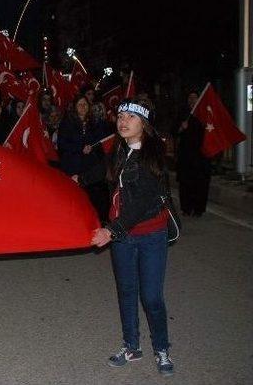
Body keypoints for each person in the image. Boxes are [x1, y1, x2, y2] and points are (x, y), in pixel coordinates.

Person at [75, 98, 174, 377]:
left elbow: (142, 201)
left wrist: (111, 230)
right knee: (127, 292)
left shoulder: (154, 157)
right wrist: (74, 179)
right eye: (120, 115)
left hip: (150, 234)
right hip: (123, 238)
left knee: (151, 296)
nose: (123, 120)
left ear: (144, 124)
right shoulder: (120, 150)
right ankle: (131, 346)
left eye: (131, 116)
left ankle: (161, 348)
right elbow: (101, 173)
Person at [57, 96, 110, 221]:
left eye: (85, 104)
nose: (83, 106)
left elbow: (101, 140)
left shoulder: (94, 123)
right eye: (80, 104)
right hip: (74, 167)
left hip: (91, 169)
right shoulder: (67, 124)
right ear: (75, 107)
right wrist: (80, 147)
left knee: (95, 200)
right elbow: (62, 144)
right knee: (77, 199)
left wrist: (93, 147)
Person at [175, 91, 211, 217]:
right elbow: (174, 131)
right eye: (190, 98)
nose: (192, 100)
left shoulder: (205, 113)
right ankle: (186, 208)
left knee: (200, 183)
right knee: (185, 182)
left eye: (194, 98)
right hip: (186, 155)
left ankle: (198, 209)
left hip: (201, 155)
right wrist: (181, 127)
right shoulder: (183, 113)